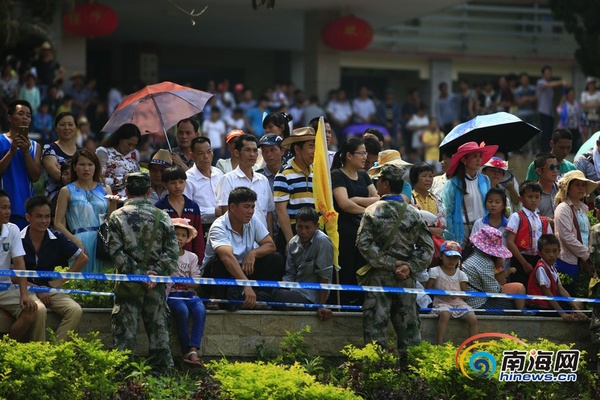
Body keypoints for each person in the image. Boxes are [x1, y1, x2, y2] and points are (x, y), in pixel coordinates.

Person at [356, 164, 433, 358]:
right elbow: (427, 249)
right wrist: (408, 266)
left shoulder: (372, 211)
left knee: (376, 335)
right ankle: (413, 379)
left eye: (378, 181)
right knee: (410, 334)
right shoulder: (414, 213)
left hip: (379, 278)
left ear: (385, 184)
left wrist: (390, 264)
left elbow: (363, 244)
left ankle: (377, 377)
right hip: (405, 280)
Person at [108, 172, 179, 371]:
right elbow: (172, 253)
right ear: (149, 192)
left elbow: (115, 252)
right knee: (159, 332)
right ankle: (163, 378)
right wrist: (153, 274)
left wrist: (137, 274)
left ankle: (124, 379)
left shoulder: (117, 216)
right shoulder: (163, 216)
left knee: (125, 333)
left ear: (127, 191)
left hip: (128, 284)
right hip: (155, 286)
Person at [201, 187, 284, 308]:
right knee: (220, 261)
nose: (251, 211)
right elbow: (227, 257)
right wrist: (246, 284)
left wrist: (253, 254)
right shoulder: (218, 226)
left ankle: (255, 296)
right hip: (220, 272)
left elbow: (270, 245)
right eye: (246, 206)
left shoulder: (252, 221)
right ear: (233, 207)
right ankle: (217, 298)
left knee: (275, 258)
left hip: (244, 269)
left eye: (252, 207)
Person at [21, 195, 88, 341]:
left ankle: (56, 351)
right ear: (28, 217)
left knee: (75, 310)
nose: (44, 221)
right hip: (23, 288)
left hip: (49, 288)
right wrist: (37, 289)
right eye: (39, 216)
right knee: (39, 309)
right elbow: (12, 274)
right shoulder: (17, 238)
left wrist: (59, 282)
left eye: (47, 216)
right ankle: (39, 350)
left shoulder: (57, 237)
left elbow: (82, 259)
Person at [331, 137, 379, 304]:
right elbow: (344, 204)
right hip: (345, 232)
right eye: (362, 153)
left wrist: (357, 199)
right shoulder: (337, 175)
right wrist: (367, 209)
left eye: (365, 153)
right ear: (349, 156)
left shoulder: (364, 175)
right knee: (346, 270)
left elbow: (378, 198)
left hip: (364, 231)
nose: (365, 157)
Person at [54, 149, 117, 273]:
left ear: (96, 167)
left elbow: (110, 221)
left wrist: (113, 205)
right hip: (78, 240)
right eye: (82, 164)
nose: (86, 169)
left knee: (103, 283)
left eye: (90, 165)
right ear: (75, 167)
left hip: (102, 241)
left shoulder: (106, 189)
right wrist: (75, 241)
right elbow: (58, 223)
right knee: (80, 285)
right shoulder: (66, 190)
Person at [273, 207, 334, 320]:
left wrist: (320, 306)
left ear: (316, 226)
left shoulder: (322, 241)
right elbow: (290, 274)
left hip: (311, 297)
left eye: (308, 227)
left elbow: (324, 276)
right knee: (269, 294)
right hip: (295, 291)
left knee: (277, 296)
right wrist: (284, 289)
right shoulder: (293, 243)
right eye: (299, 227)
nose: (303, 231)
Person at [0, 189, 41, 342]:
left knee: (30, 310)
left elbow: (19, 263)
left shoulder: (13, 229)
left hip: (5, 288)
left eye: (9, 207)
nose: (8, 211)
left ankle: (7, 351)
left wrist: (24, 295)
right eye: (3, 207)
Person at [167, 218, 207, 366]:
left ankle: (193, 349)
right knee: (182, 310)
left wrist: (182, 282)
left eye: (183, 235)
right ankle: (185, 351)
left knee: (201, 310)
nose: (179, 238)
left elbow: (196, 282)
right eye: (176, 234)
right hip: (172, 295)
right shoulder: (166, 256)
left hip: (189, 294)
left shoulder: (192, 257)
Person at [216, 134, 274, 235]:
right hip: (238, 242)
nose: (252, 154)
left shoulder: (263, 180)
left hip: (262, 242)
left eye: (255, 150)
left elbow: (268, 213)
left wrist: (270, 239)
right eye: (247, 150)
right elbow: (226, 213)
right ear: (237, 153)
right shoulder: (227, 179)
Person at [442, 141, 497, 247]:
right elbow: (447, 213)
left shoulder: (485, 180)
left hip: (482, 227)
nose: (479, 159)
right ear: (463, 160)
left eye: (480, 156)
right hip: (462, 230)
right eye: (474, 156)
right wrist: (451, 236)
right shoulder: (453, 184)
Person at [0, 100, 42, 228]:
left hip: (25, 206)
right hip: (3, 205)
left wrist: (25, 152)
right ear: (9, 118)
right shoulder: (1, 141)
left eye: (28, 116)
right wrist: (11, 152)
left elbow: (35, 177)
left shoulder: (35, 146)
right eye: (20, 114)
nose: (25, 118)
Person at [426, 240, 477, 345]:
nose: (452, 260)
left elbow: (465, 293)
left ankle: (473, 346)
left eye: (455, 257)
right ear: (441, 256)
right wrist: (442, 293)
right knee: (445, 314)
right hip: (441, 302)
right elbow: (428, 289)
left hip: (458, 303)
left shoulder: (461, 274)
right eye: (449, 257)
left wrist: (457, 295)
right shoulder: (435, 271)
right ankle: (439, 345)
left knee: (473, 318)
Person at [462, 226, 526, 311]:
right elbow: (493, 291)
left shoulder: (470, 254)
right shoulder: (485, 263)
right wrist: (501, 287)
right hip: (478, 304)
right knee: (511, 305)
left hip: (469, 301)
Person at [527, 234, 588, 320]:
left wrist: (577, 310)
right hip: (540, 307)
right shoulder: (541, 268)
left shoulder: (552, 267)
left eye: (554, 251)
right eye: (547, 251)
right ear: (539, 253)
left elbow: (561, 289)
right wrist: (562, 314)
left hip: (550, 305)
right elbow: (547, 293)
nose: (551, 255)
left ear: (559, 251)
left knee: (578, 304)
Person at [554, 170, 596, 293]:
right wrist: (587, 255)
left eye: (583, 185)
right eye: (577, 185)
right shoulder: (563, 209)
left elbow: (586, 234)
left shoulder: (583, 209)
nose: (581, 188)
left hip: (583, 259)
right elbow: (566, 237)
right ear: (568, 188)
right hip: (568, 260)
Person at [274, 127, 316, 248]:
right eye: (311, 146)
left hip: (313, 232)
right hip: (294, 231)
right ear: (297, 149)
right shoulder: (284, 175)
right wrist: (290, 241)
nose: (314, 151)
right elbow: (281, 211)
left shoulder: (316, 173)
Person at [505, 181, 552, 286]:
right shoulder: (516, 216)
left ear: (540, 198)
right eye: (530, 197)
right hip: (520, 258)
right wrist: (524, 263)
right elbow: (510, 242)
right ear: (521, 198)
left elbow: (548, 242)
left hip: (538, 260)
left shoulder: (543, 221)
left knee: (537, 288)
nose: (533, 200)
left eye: (537, 197)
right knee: (520, 287)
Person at [155, 166, 205, 260]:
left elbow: (199, 237)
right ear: (165, 184)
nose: (178, 186)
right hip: (166, 259)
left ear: (185, 183)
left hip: (190, 260)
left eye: (181, 182)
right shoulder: (159, 207)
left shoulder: (193, 206)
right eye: (173, 183)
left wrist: (199, 260)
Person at [184, 137, 224, 236]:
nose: (206, 156)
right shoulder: (188, 178)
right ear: (192, 156)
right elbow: (187, 209)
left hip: (222, 226)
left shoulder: (218, 173)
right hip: (200, 229)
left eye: (208, 152)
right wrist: (214, 211)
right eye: (200, 153)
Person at [42, 111, 80, 202]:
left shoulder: (81, 152)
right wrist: (79, 176)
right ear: (56, 128)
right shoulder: (49, 149)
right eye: (62, 124)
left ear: (76, 128)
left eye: (70, 124)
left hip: (79, 200)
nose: (67, 128)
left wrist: (63, 169)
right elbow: (57, 175)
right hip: (56, 199)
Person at [96, 123, 141, 195]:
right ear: (120, 139)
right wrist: (121, 180)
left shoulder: (135, 154)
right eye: (129, 144)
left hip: (130, 199)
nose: (131, 148)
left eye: (134, 145)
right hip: (110, 197)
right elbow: (99, 179)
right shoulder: (104, 152)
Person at [410, 162, 446, 250]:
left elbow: (443, 223)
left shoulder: (436, 199)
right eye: (424, 176)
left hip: (435, 245)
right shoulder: (409, 198)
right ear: (414, 178)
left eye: (430, 176)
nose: (428, 179)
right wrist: (430, 230)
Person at [536, 65, 567, 152]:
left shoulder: (551, 87)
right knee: (545, 133)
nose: (549, 75)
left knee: (550, 133)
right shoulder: (541, 82)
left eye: (550, 73)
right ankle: (544, 150)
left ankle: (549, 150)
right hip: (543, 111)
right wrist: (561, 82)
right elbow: (549, 85)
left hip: (550, 113)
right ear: (543, 74)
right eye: (547, 73)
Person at [534, 153, 559, 219]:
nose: (555, 171)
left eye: (557, 167)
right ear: (539, 171)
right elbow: (532, 219)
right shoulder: (531, 193)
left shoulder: (562, 190)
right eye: (551, 167)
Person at [581, 77, 600, 144]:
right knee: (585, 132)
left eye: (593, 84)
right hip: (586, 113)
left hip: (595, 114)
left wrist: (588, 104)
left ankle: (593, 147)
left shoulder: (598, 93)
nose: (592, 85)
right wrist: (594, 104)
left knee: (594, 132)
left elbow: (599, 104)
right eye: (590, 84)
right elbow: (583, 104)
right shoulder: (584, 94)